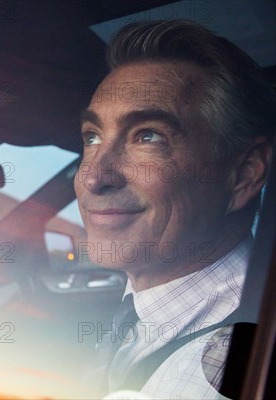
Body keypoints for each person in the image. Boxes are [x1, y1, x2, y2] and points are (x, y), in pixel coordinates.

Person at [73, 20, 275, 398]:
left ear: (245, 173)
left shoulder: (211, 373)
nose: (93, 177)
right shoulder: (148, 304)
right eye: (92, 137)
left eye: (148, 136)